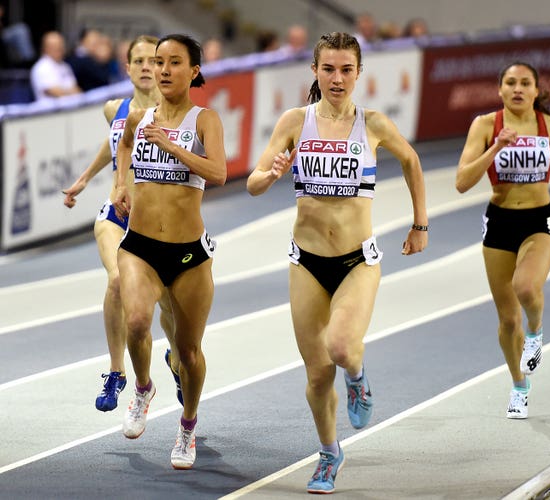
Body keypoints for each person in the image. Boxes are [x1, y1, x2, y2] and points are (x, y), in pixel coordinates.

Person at [246, 32, 428, 494]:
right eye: (329, 69)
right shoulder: (294, 121)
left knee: (343, 348)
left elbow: (412, 161)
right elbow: (252, 182)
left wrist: (419, 224)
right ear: (315, 71)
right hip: (306, 262)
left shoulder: (375, 124)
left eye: (346, 69)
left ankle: (359, 379)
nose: (337, 78)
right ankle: (329, 453)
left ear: (359, 73)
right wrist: (269, 174)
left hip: (356, 262)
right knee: (315, 373)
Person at [113, 33, 227, 469]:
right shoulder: (138, 117)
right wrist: (121, 183)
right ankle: (143, 388)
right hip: (139, 244)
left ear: (193, 70)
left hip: (187, 254)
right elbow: (124, 145)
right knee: (138, 321)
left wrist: (172, 147)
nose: (162, 70)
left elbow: (218, 171)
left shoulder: (204, 120)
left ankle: (188, 425)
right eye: (158, 62)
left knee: (188, 353)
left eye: (174, 62)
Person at [455, 61, 550, 419]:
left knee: (526, 288)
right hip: (499, 222)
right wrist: (495, 148)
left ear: (536, 90)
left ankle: (537, 331)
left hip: (539, 220)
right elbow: (462, 181)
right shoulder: (485, 126)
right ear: (500, 89)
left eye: (525, 83)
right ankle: (519, 385)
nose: (517, 88)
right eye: (510, 82)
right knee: (506, 320)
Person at [62, 35, 182, 413]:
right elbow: (114, 143)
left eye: (154, 61)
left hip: (161, 224)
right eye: (139, 61)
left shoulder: (176, 112)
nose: (147, 67)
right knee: (117, 281)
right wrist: (84, 179)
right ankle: (117, 372)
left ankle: (176, 361)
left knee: (170, 309)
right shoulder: (114, 107)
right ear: (127, 68)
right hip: (116, 216)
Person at [30, 31, 82, 101]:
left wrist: (69, 92)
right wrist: (69, 92)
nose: (59, 49)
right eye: (55, 46)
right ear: (45, 48)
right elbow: (56, 93)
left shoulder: (65, 66)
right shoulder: (41, 67)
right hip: (50, 110)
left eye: (61, 45)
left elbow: (77, 90)